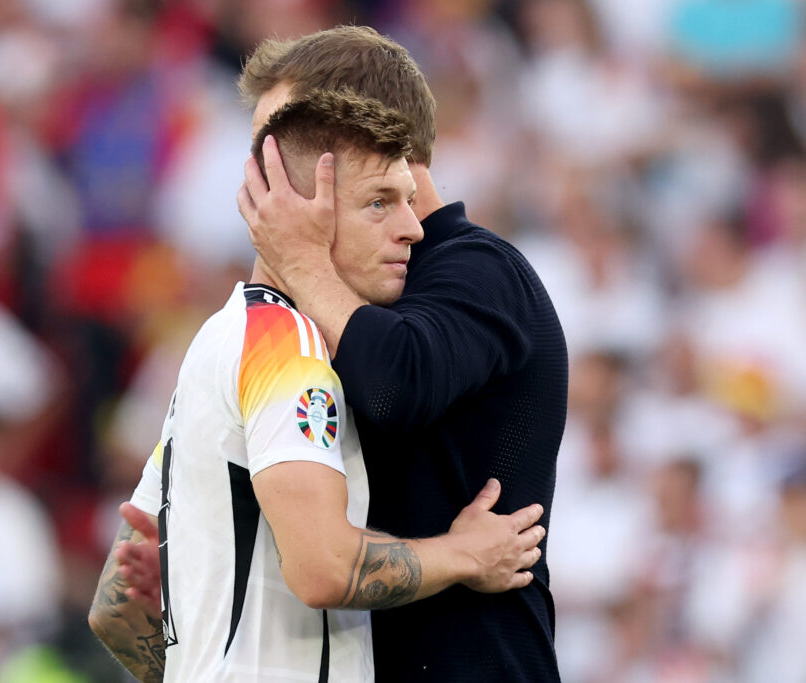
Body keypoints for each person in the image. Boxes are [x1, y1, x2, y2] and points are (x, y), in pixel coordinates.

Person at [88, 89, 546, 682]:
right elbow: (324, 568)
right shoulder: (292, 349)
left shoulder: (216, 338)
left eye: (408, 200)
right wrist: (464, 554)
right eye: (379, 204)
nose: (412, 228)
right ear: (306, 209)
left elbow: (118, 605)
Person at [235, 26, 568, 682]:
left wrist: (298, 260)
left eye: (286, 147)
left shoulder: (481, 270)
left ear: (373, 135)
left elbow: (395, 380)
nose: (268, 181)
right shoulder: (309, 309)